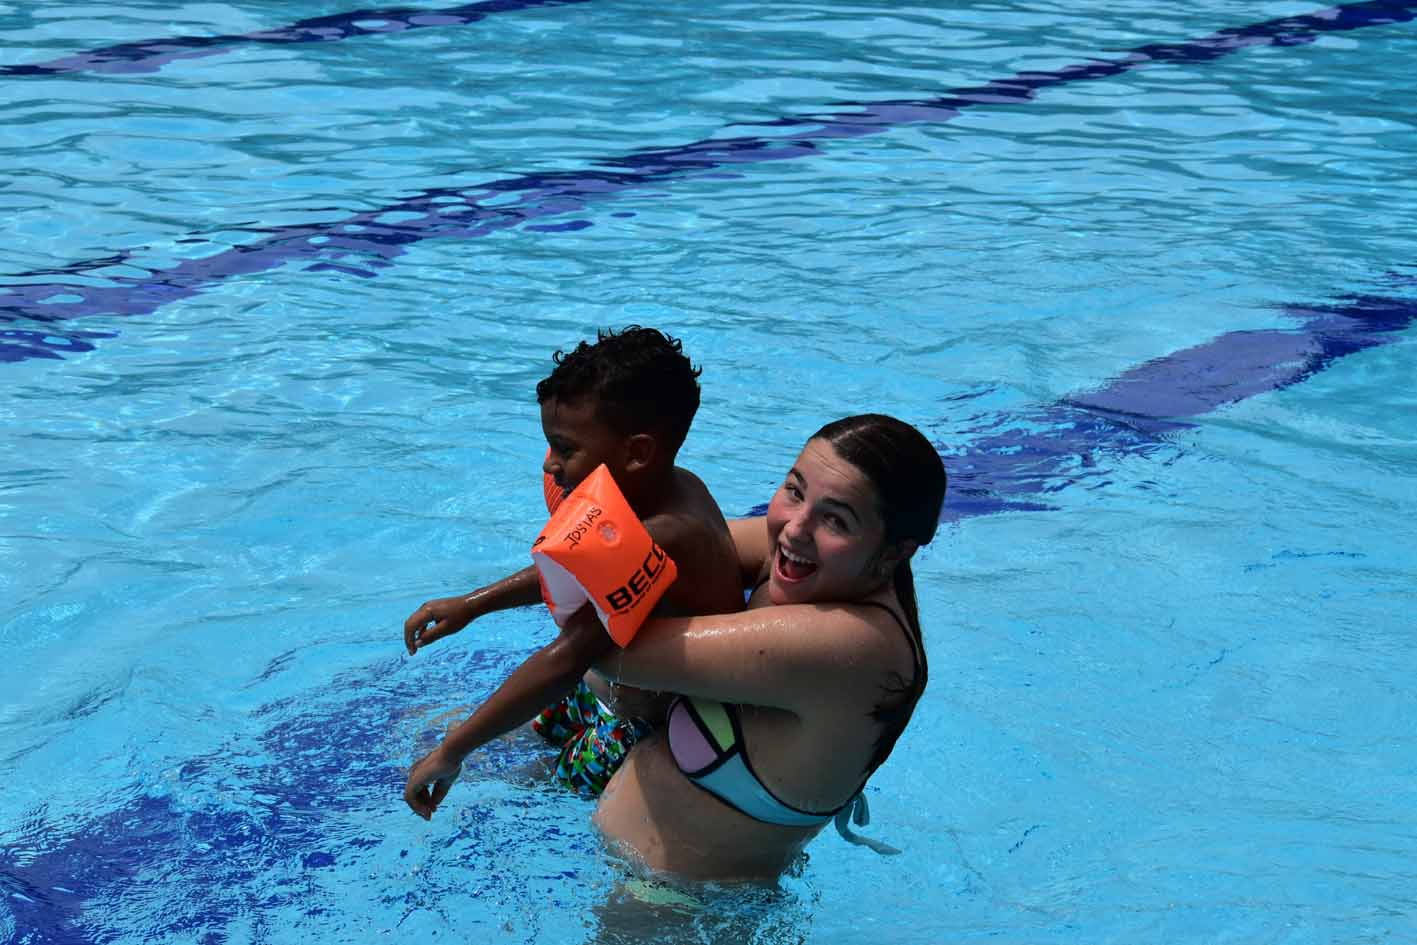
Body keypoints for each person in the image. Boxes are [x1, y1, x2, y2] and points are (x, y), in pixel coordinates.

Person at [571, 413, 946, 880]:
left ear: (894, 552)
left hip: (674, 904)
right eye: (795, 491)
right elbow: (656, 553)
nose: (795, 529)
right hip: (594, 776)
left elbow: (609, 648)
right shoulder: (808, 561)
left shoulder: (854, 646)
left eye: (836, 520)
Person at [402, 327, 744, 814]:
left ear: (636, 453)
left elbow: (566, 658)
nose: (550, 465)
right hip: (604, 698)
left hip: (640, 729)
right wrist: (472, 605)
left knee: (511, 791)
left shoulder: (667, 534)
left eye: (564, 448)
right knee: (463, 741)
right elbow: (578, 572)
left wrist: (451, 752)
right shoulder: (670, 486)